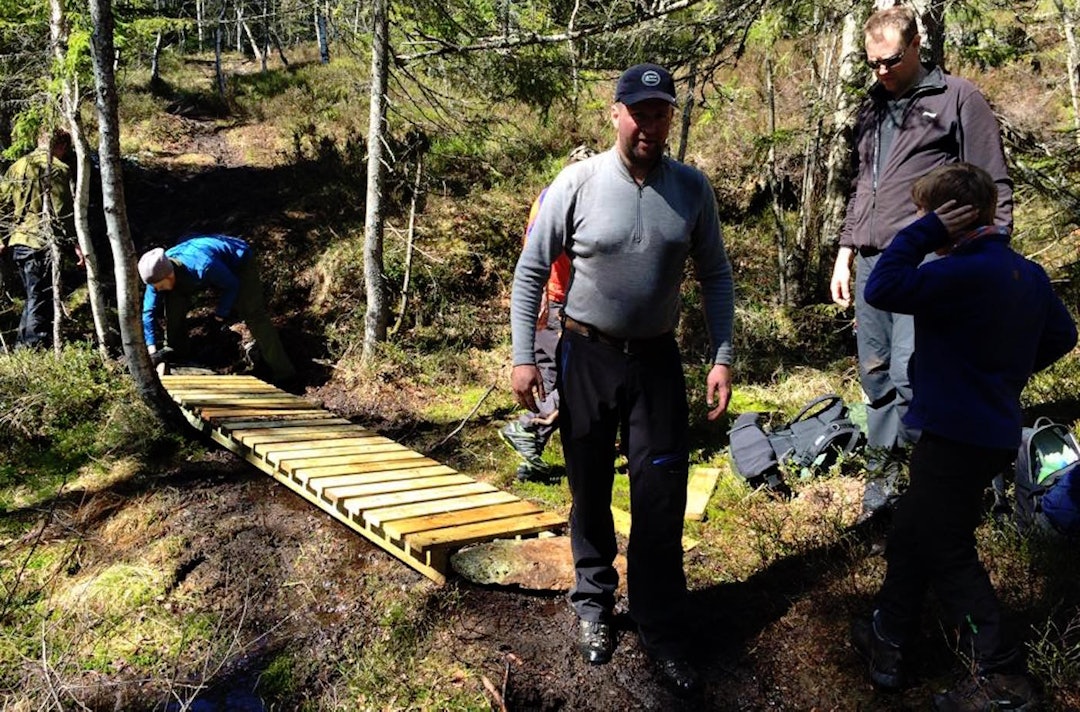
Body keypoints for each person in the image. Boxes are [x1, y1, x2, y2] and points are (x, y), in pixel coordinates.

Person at [509, 63, 734, 696]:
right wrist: (524, 356)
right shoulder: (577, 184)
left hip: (657, 362)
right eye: (639, 113)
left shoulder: (691, 189)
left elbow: (716, 275)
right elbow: (531, 270)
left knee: (660, 498)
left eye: (661, 113)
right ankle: (593, 604)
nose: (650, 126)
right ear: (616, 114)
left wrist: (722, 356)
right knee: (588, 486)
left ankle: (661, 627)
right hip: (587, 354)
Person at [851, 163, 1077, 711]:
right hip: (991, 431)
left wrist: (926, 232)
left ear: (951, 216)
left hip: (954, 433)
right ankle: (889, 636)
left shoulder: (958, 272)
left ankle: (1002, 677)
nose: (919, 221)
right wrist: (1004, 375)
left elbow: (881, 286)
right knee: (914, 529)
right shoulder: (1027, 273)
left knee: (945, 547)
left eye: (925, 213)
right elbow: (1064, 334)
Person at [829, 6, 1013, 507]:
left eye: (890, 61)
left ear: (916, 46)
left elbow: (993, 183)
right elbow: (861, 186)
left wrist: (990, 258)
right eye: (872, 63)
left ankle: (947, 491)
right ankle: (884, 492)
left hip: (933, 262)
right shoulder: (872, 107)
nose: (881, 71)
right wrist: (845, 251)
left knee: (917, 375)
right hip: (873, 262)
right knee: (876, 376)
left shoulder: (958, 97)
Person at [499, 144, 596, 482]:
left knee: (556, 383)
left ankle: (531, 460)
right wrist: (541, 297)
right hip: (559, 305)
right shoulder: (555, 200)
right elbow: (533, 255)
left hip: (566, 303)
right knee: (570, 384)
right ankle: (526, 428)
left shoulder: (556, 197)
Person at [138, 235, 296, 384]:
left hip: (238, 261)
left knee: (253, 315)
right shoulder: (156, 275)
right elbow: (148, 312)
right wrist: (152, 352)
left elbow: (232, 285)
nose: (157, 290)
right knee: (173, 300)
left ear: (170, 275)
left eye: (160, 286)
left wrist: (219, 316)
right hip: (199, 269)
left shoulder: (203, 266)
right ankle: (176, 351)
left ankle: (284, 372)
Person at [0, 128, 82, 349]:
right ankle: (34, 347)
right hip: (40, 242)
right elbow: (62, 211)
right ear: (61, 146)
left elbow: (2, 203)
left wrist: (2, 238)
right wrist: (74, 243)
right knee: (41, 298)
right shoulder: (58, 169)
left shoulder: (17, 166)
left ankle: (22, 347)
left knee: (33, 296)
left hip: (18, 241)